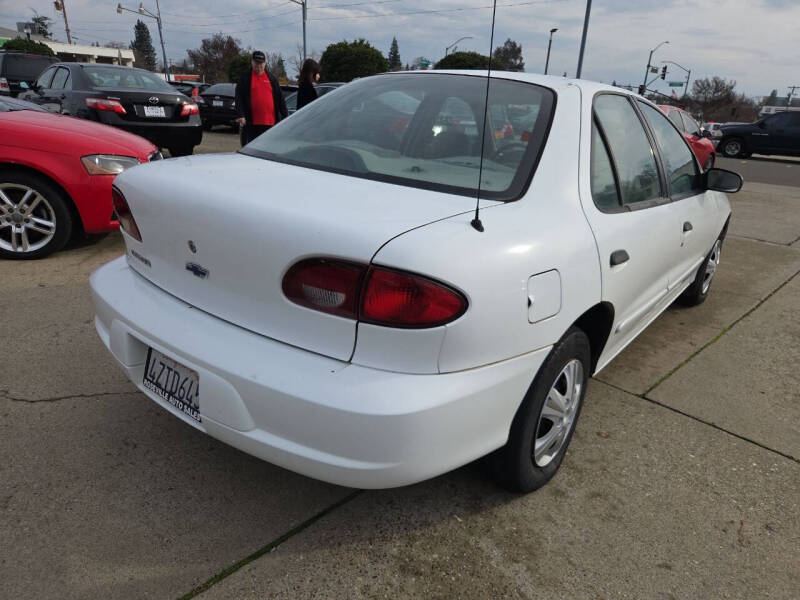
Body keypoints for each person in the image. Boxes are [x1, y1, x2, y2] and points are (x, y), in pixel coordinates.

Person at [235, 50, 288, 145]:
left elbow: (280, 99)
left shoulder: (271, 78)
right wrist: (241, 115)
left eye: (261, 63)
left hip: (270, 123)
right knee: (250, 150)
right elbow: (239, 98)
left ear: (265, 63)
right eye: (256, 63)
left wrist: (285, 116)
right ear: (252, 62)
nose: (259, 66)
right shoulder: (245, 79)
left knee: (268, 149)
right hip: (251, 124)